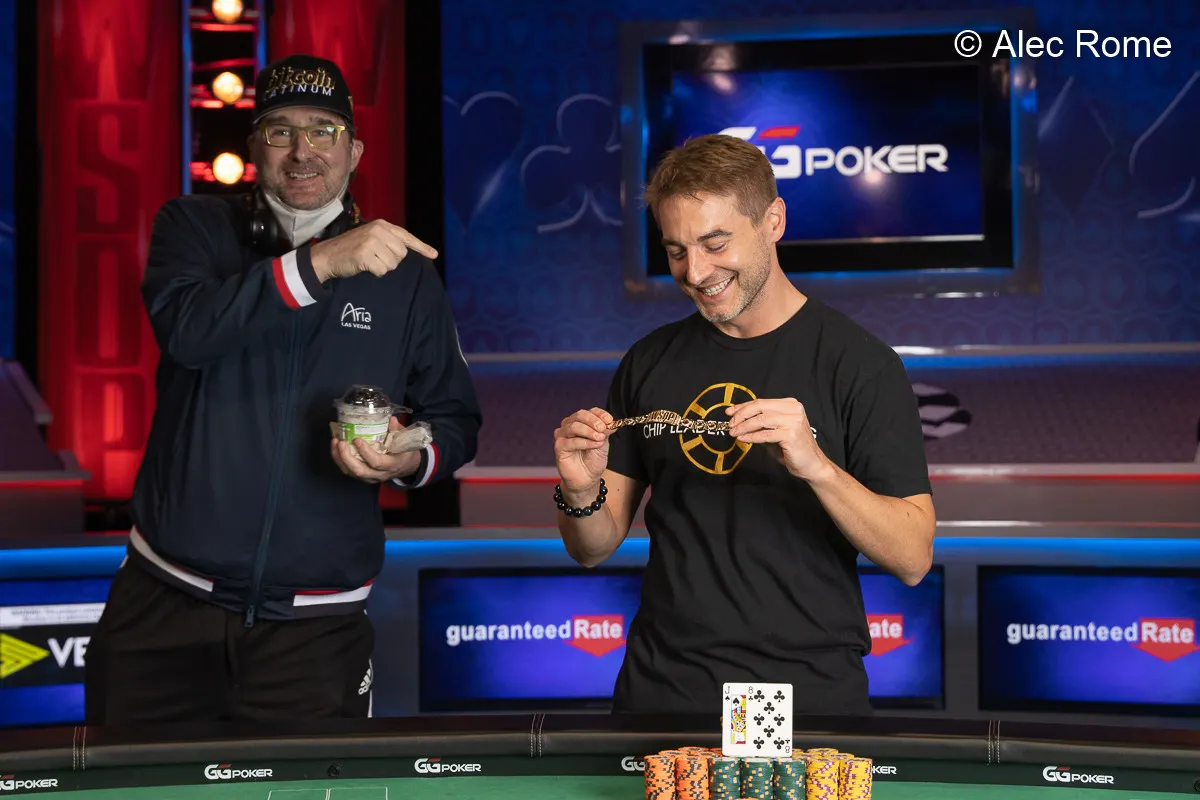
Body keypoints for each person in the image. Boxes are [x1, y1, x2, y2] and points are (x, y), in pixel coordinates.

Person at [83, 55, 482, 724]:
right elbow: (189, 333)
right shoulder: (193, 227)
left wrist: (408, 454)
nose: (303, 151)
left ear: (355, 151)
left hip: (317, 631)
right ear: (254, 147)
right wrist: (322, 261)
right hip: (163, 607)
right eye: (280, 131)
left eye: (324, 131)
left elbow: (456, 419)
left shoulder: (406, 275)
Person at [552, 134, 934, 716]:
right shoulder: (648, 362)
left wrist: (817, 468)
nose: (695, 271)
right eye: (676, 250)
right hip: (665, 690)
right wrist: (581, 493)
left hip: (807, 695)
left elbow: (912, 558)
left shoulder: (861, 364)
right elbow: (593, 549)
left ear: (773, 221)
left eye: (715, 243)